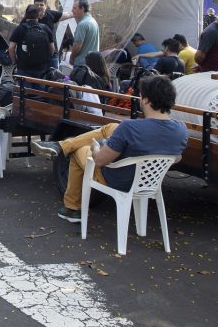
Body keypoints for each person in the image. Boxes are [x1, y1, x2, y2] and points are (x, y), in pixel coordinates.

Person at [32, 75, 188, 223]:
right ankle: (60, 146)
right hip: (150, 181)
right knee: (112, 127)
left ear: (146, 100)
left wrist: (95, 147)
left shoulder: (130, 127)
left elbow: (100, 160)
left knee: (78, 150)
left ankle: (72, 208)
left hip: (117, 178)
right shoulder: (181, 129)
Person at [7, 4, 55, 80]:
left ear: (26, 14)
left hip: (24, 66)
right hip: (41, 68)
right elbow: (52, 48)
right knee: (39, 91)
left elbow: (11, 48)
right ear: (38, 15)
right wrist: (45, 60)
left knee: (24, 90)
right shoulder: (45, 28)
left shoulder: (20, 28)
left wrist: (15, 61)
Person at [35, 0, 70, 70]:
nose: (39, 7)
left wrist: (78, 13)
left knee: (53, 77)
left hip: (53, 55)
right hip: (37, 56)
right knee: (39, 79)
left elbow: (68, 15)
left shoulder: (51, 14)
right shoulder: (29, 16)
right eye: (36, 5)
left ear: (46, 5)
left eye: (41, 5)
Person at [69, 0, 99, 65]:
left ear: (82, 9)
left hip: (81, 64)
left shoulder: (82, 24)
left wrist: (71, 57)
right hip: (91, 63)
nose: (72, 10)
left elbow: (77, 46)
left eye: (74, 8)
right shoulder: (93, 21)